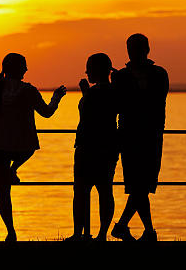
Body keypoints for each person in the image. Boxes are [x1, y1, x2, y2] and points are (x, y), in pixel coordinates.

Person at [0, 53, 67, 242]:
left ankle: (11, 232)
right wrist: (56, 97)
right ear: (18, 69)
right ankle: (13, 169)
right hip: (20, 147)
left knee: (2, 191)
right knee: (32, 146)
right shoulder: (28, 91)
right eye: (24, 66)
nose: (26, 69)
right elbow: (47, 113)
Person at [110, 34, 169, 242]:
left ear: (147, 49)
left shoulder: (159, 74)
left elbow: (153, 101)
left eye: (137, 47)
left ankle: (129, 227)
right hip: (128, 135)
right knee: (138, 185)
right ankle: (146, 231)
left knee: (142, 185)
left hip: (151, 135)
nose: (133, 52)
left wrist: (127, 86)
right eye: (130, 48)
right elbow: (119, 105)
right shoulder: (122, 76)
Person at [64, 53, 119, 242]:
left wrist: (86, 92)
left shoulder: (97, 92)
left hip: (89, 146)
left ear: (97, 70)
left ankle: (81, 233)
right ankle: (100, 234)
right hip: (108, 146)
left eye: (89, 68)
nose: (86, 71)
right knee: (104, 190)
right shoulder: (114, 91)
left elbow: (91, 112)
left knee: (81, 191)